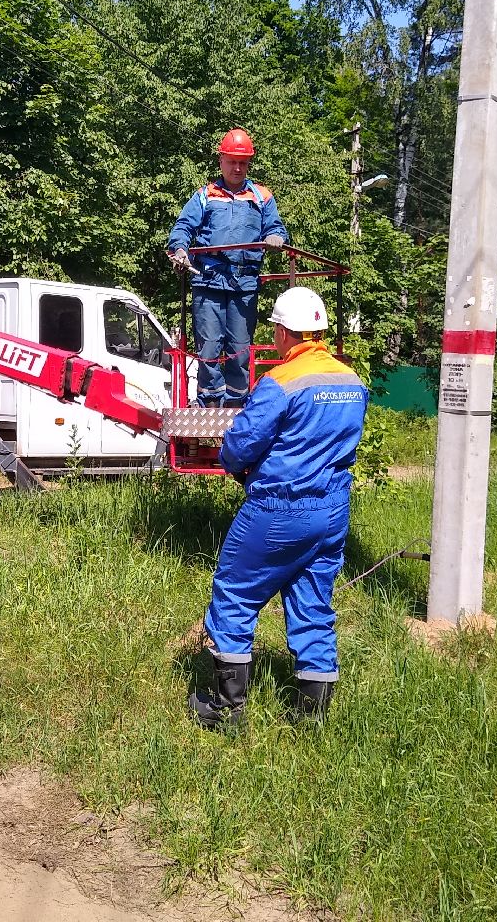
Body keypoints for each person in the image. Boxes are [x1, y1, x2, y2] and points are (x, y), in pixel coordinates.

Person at [188, 286, 368, 729]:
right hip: (332, 510)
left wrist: (232, 460)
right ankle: (311, 717)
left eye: (275, 328)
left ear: (285, 332)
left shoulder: (281, 382)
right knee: (312, 604)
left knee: (234, 592)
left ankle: (229, 710)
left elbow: (240, 445)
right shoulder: (351, 380)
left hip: (279, 508)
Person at [167, 129, 288, 407]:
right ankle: (209, 400)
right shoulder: (205, 196)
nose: (237, 167)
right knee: (208, 345)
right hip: (208, 281)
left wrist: (276, 238)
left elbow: (277, 228)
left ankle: (236, 401)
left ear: (248, 164)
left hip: (243, 284)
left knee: (240, 349)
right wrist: (181, 250)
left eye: (242, 163)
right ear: (221, 160)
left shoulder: (262, 197)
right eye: (232, 161)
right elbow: (183, 227)